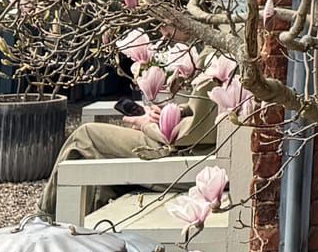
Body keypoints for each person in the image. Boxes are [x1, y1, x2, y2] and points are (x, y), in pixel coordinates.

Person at [38, 91, 218, 219]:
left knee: (85, 138)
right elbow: (204, 111)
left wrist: (147, 125)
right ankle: (89, 237)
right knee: (99, 163)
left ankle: (43, 220)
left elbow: (190, 133)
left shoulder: (216, 57)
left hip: (191, 158)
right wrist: (174, 112)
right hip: (198, 153)